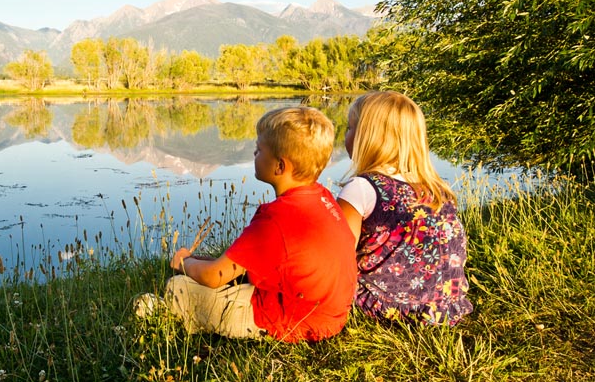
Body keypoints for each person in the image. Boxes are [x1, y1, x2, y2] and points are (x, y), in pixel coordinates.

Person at [136, 106, 357, 342]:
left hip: (294, 322)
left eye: (259, 149)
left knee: (179, 287)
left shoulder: (276, 217)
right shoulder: (323, 198)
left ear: (280, 166)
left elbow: (214, 276)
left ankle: (161, 312)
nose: (254, 154)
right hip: (332, 317)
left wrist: (184, 261)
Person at [337, 90, 473, 326]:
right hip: (446, 306)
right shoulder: (436, 189)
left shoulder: (362, 187)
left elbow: (338, 258)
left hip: (389, 308)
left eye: (349, 128)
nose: (344, 136)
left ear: (367, 137)